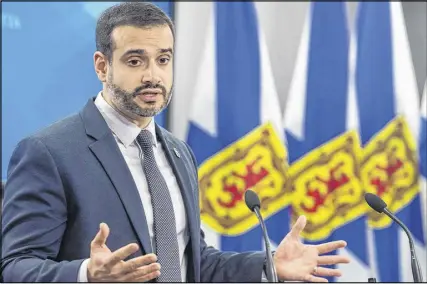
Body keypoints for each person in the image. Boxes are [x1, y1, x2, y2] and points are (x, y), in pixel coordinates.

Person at [1, 2, 350, 282]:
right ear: (102, 66)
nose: (153, 75)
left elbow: (191, 263)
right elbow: (15, 267)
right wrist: (86, 275)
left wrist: (268, 264)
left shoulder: (177, 152)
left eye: (163, 60)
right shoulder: (49, 152)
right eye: (135, 61)